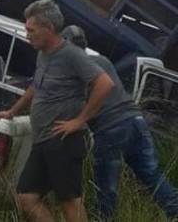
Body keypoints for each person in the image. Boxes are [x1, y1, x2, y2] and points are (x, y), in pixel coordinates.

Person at [0, 0, 114, 222]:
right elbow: (36, 86)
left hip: (63, 140)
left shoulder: (71, 55)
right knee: (26, 196)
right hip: (43, 140)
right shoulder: (43, 54)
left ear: (48, 29)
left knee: (69, 201)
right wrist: (13, 111)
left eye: (31, 30)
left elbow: (105, 83)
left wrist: (80, 120)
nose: (26, 34)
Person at [61, 25, 178, 220]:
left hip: (110, 128)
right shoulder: (103, 61)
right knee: (152, 175)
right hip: (136, 121)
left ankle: (104, 219)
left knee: (106, 186)